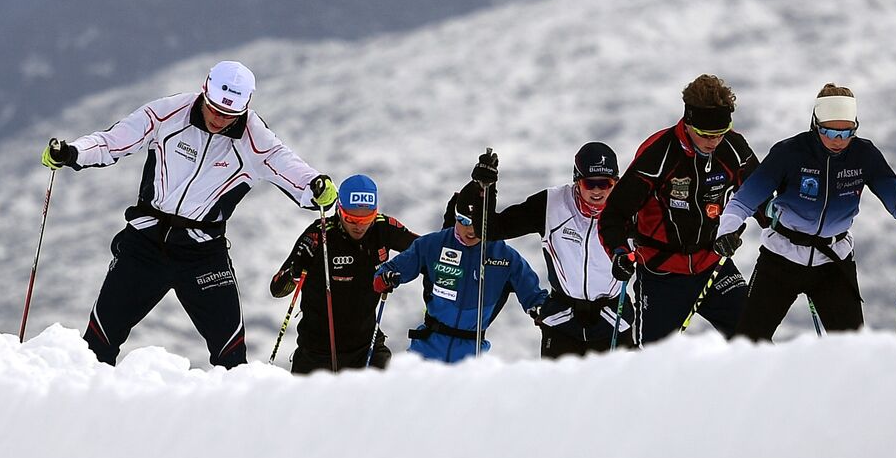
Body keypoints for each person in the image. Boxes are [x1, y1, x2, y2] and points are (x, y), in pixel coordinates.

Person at [40, 60, 337, 368]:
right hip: (144, 243)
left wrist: (316, 186)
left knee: (232, 358)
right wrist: (73, 152)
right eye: (215, 109)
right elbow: (113, 141)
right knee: (97, 344)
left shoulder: (254, 137)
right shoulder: (169, 112)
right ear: (204, 93)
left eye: (231, 115)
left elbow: (288, 165)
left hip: (202, 253)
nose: (220, 120)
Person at [721, 83, 896, 338]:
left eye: (847, 133)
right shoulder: (789, 152)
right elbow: (743, 202)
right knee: (750, 342)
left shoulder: (865, 155)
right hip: (780, 259)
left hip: (833, 262)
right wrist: (726, 232)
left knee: (851, 349)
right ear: (815, 123)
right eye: (829, 132)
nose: (838, 141)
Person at [598, 73, 759, 346]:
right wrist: (620, 254)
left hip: (714, 263)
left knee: (757, 339)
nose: (713, 142)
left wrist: (750, 228)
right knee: (653, 361)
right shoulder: (658, 154)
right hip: (662, 272)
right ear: (688, 121)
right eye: (706, 134)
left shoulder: (733, 147)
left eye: (720, 133)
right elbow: (614, 216)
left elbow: (760, 197)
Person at [373, 164, 547, 364]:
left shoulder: (505, 257)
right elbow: (389, 271)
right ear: (455, 216)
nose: (470, 229)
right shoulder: (432, 245)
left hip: (471, 356)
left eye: (476, 222)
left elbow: (534, 295)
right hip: (427, 348)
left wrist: (540, 309)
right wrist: (385, 279)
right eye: (464, 220)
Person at [481, 142, 633, 357]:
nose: (598, 191)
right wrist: (483, 187)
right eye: (590, 183)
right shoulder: (551, 204)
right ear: (577, 180)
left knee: (616, 391)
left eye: (605, 183)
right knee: (558, 390)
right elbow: (491, 229)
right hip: (563, 322)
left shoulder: (631, 208)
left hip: (613, 320)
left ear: (616, 182)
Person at [269, 174, 417, 373]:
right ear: (339, 210)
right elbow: (277, 289)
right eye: (351, 219)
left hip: (367, 347)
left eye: (366, 219)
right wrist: (295, 270)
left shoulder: (384, 228)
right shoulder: (318, 235)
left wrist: (399, 271)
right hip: (316, 353)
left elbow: (427, 252)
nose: (359, 226)